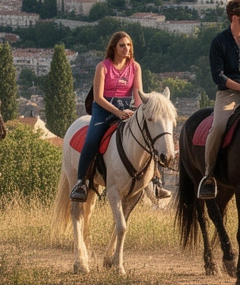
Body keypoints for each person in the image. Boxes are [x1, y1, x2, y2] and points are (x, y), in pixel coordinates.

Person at [70, 31, 170, 202]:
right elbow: (98, 97)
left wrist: (139, 113)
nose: (126, 48)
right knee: (92, 139)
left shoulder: (135, 67)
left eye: (129, 45)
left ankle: (155, 182)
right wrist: (116, 112)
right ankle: (81, 182)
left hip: (126, 108)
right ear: (113, 48)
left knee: (147, 136)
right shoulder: (102, 67)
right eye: (122, 45)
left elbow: (138, 95)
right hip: (103, 109)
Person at [196, 0, 240, 200]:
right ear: (235, 17)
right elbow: (218, 76)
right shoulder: (219, 42)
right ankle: (209, 175)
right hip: (229, 93)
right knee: (218, 127)